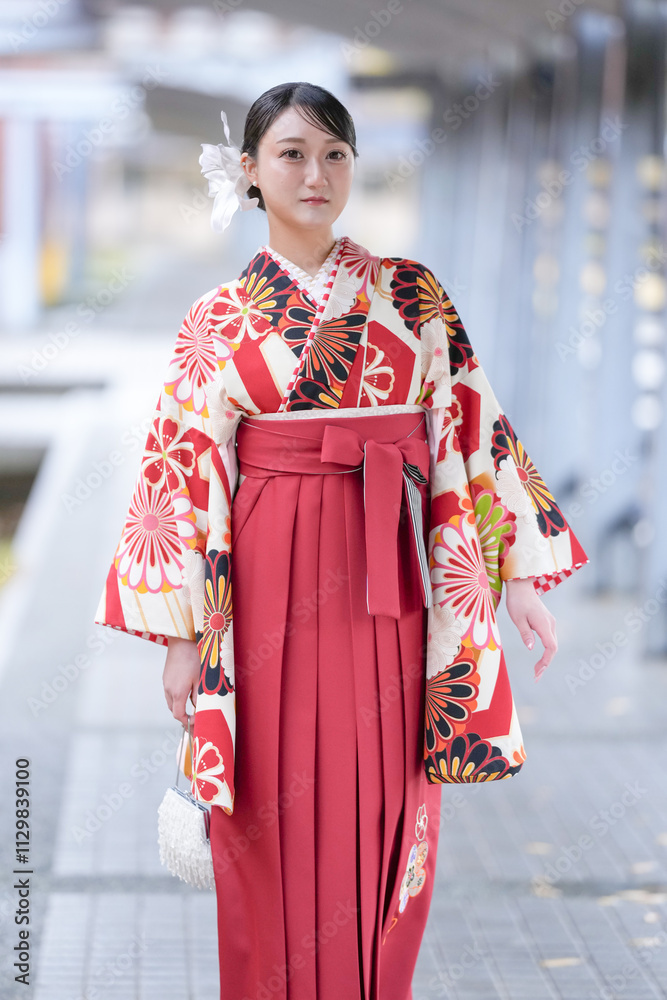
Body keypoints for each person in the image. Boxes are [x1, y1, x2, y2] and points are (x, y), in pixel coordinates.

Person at [94, 81, 588, 1000]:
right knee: (270, 789)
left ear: (355, 166)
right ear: (249, 171)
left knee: (391, 785)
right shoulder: (219, 316)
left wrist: (519, 574)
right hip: (268, 568)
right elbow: (182, 473)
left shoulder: (412, 292)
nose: (314, 174)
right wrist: (180, 641)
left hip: (390, 565)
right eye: (290, 154)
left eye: (333, 154)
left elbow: (467, 431)